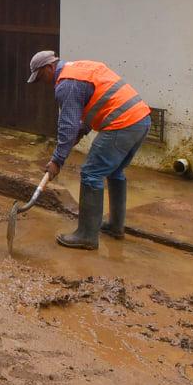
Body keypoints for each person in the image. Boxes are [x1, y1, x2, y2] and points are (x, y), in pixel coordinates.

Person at [29, 50, 153, 250]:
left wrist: (57, 160)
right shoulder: (81, 68)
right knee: (115, 172)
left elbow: (67, 127)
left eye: (41, 77)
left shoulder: (65, 84)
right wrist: (83, 129)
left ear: (49, 67)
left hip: (122, 124)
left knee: (90, 173)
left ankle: (86, 235)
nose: (43, 83)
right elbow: (98, 101)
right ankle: (115, 226)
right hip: (141, 119)